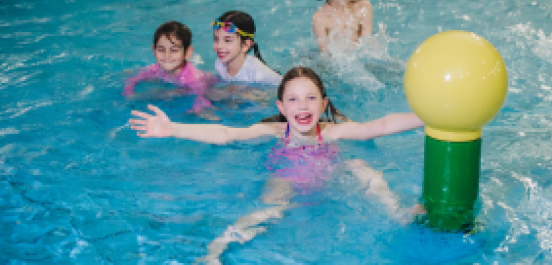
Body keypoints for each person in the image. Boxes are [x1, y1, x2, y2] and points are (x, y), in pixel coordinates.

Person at [128, 67, 425, 264]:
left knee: (361, 167)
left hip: (330, 177)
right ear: (281, 108)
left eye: (311, 98)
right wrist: (174, 129)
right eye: (293, 100)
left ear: (323, 104)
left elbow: (380, 125)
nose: (303, 106)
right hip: (287, 178)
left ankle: (397, 212)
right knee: (270, 211)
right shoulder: (271, 131)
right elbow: (226, 134)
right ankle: (215, 251)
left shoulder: (333, 131)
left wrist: (430, 115)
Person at [122, 21, 217, 112]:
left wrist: (198, 110)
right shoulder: (157, 68)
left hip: (209, 84)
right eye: (161, 50)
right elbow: (132, 77)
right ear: (154, 51)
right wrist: (128, 93)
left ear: (188, 53)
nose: (167, 55)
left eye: (174, 50)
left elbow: (200, 97)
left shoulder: (192, 78)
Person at [212, 11, 282, 85]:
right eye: (216, 39)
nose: (219, 46)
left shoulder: (259, 73)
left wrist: (259, 96)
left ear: (245, 45)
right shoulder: (219, 64)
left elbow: (285, 87)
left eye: (227, 40)